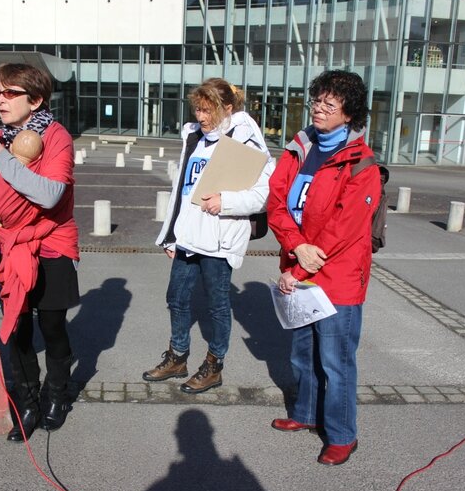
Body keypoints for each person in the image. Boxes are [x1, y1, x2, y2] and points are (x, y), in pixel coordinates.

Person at [0, 63, 80, 442]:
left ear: (36, 99)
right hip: (11, 246)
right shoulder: (2, 138)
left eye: (11, 93)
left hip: (50, 242)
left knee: (53, 327)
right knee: (16, 329)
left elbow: (49, 194)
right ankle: (26, 404)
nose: (1, 100)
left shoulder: (57, 138)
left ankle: (56, 396)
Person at [266, 70, 381, 466]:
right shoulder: (299, 147)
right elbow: (276, 200)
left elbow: (343, 229)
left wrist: (299, 268)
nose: (318, 108)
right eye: (317, 101)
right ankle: (306, 413)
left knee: (336, 360)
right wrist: (296, 247)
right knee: (303, 352)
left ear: (349, 114)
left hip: (338, 277)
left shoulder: (361, 164)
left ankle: (342, 434)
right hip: (299, 264)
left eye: (330, 105)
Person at [144, 78, 275, 394]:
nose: (201, 117)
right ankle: (177, 356)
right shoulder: (194, 138)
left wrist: (225, 202)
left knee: (217, 306)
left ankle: (214, 365)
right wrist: (170, 235)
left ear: (227, 108)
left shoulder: (246, 141)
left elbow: (264, 194)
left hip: (218, 239)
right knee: (176, 298)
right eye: (198, 110)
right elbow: (180, 192)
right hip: (188, 237)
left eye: (208, 110)